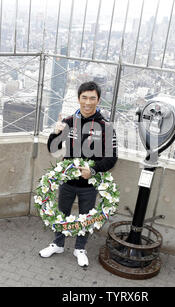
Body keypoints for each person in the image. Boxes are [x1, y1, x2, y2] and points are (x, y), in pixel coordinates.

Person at [39, 81, 118, 267]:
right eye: (84, 98)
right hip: (67, 181)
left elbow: (112, 157)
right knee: (61, 213)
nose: (88, 102)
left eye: (92, 98)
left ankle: (80, 249)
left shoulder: (105, 126)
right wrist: (55, 132)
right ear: (78, 99)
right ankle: (58, 244)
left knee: (86, 216)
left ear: (98, 100)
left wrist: (93, 170)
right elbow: (53, 148)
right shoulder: (69, 121)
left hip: (89, 184)